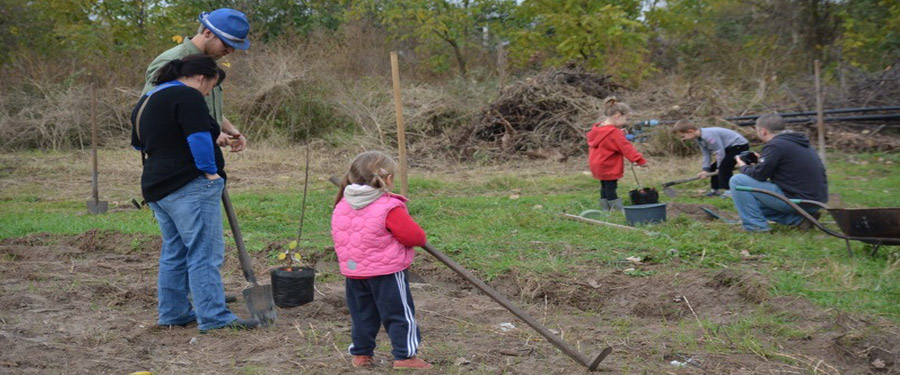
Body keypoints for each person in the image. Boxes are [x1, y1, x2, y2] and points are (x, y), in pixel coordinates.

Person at [131, 54, 258, 332]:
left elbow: (139, 146)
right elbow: (198, 137)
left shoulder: (147, 99)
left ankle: (174, 312)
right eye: (210, 86)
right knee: (205, 252)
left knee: (175, 251)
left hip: (156, 186)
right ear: (201, 77)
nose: (208, 92)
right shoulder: (188, 97)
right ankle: (214, 317)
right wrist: (210, 171)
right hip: (190, 185)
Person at [331, 151, 433, 370]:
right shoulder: (388, 207)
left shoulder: (342, 204)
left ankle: (361, 354)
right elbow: (415, 237)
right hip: (386, 273)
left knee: (362, 314)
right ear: (387, 179)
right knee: (398, 313)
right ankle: (405, 357)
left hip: (354, 272)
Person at [142, 8, 250, 153]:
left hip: (203, 154)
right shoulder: (171, 61)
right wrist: (206, 133)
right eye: (227, 45)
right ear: (208, 33)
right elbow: (151, 113)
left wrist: (230, 129)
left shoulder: (209, 64)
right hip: (175, 157)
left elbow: (199, 109)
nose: (230, 51)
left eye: (234, 48)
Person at [729, 113, 828, 233]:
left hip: (798, 202)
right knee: (750, 204)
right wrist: (762, 160)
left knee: (737, 181)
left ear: (763, 131)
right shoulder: (797, 142)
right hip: (815, 202)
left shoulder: (775, 145)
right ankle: (799, 220)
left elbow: (760, 175)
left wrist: (743, 166)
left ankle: (756, 228)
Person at [587, 97, 648, 212]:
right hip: (608, 164)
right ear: (617, 115)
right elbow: (626, 148)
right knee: (611, 187)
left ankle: (605, 207)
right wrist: (640, 160)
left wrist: (619, 134)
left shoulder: (598, 128)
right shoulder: (614, 133)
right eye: (626, 118)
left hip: (597, 164)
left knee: (604, 185)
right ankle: (616, 209)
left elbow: (608, 141)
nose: (626, 122)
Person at [672, 120, 750, 197]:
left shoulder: (708, 136)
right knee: (713, 167)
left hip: (739, 146)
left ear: (690, 131)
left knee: (724, 167)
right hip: (727, 148)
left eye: (683, 136)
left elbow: (719, 151)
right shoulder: (699, 139)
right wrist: (705, 170)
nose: (683, 139)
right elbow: (706, 154)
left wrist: (719, 167)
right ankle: (715, 190)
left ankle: (729, 191)